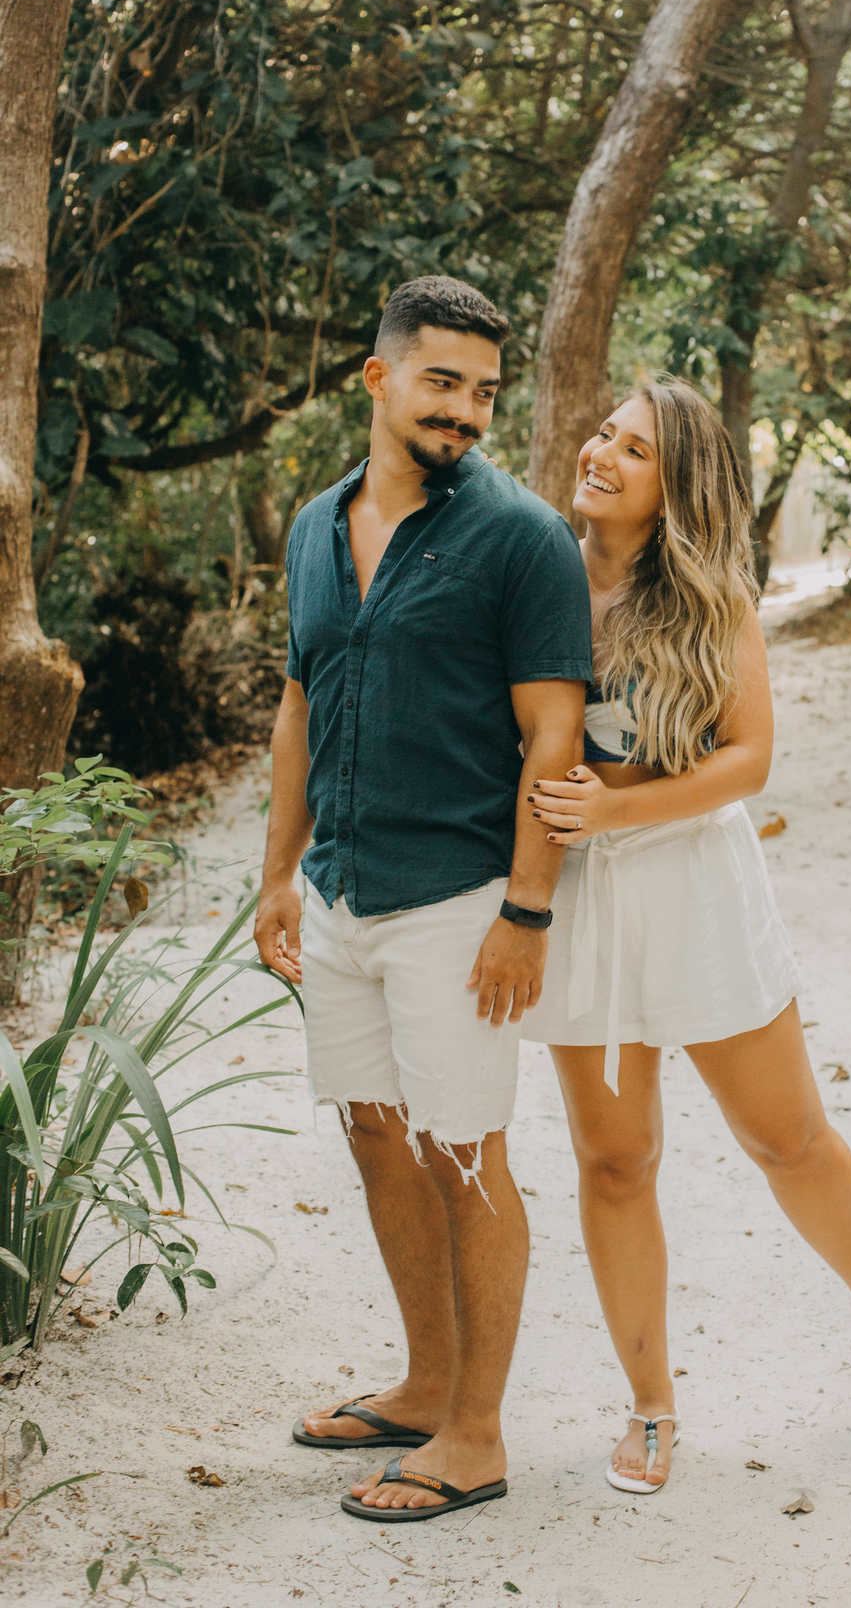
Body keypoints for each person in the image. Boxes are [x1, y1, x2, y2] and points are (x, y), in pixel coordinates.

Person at [519, 375, 851, 1495]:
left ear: (676, 487)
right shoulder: (531, 576)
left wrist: (616, 806)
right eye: (604, 432)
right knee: (615, 1158)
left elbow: (747, 758)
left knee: (787, 1139)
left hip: (694, 880)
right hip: (583, 903)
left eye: (635, 449)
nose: (602, 453)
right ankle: (651, 1407)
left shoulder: (709, 598)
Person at [254, 276, 591, 1524]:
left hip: (459, 900)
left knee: (467, 1153)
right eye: (443, 381)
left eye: (486, 391)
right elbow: (300, 705)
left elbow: (555, 738)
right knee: (373, 1131)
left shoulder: (520, 537)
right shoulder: (310, 527)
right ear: (377, 375)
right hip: (341, 890)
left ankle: (480, 1438)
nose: (466, 411)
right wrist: (278, 873)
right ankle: (426, 1383)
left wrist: (526, 912)